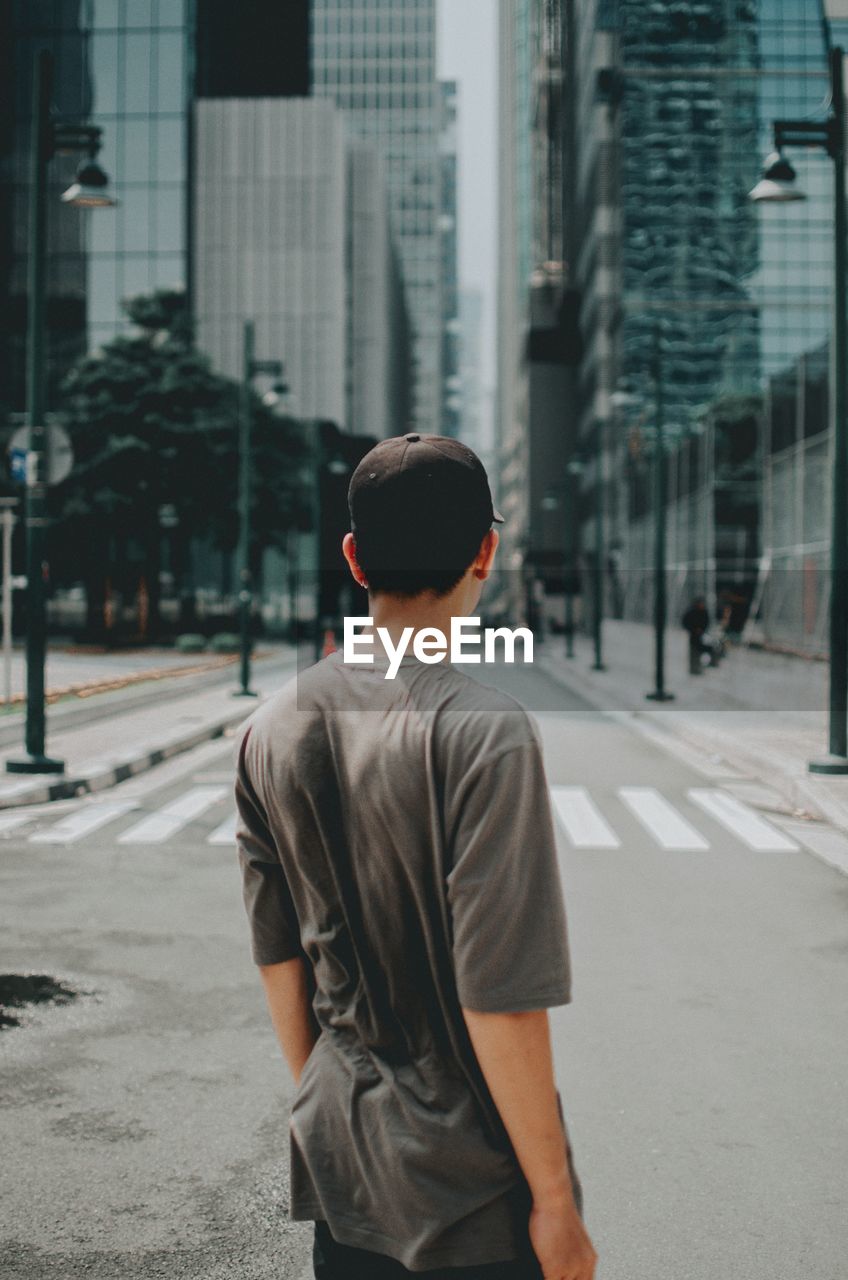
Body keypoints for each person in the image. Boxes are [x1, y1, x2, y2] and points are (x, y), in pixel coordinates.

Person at [235, 432, 597, 1280]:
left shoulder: (271, 727)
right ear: (486, 551)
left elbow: (279, 958)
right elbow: (499, 995)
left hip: (344, 1173)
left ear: (355, 558)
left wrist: (342, 1104)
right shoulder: (485, 732)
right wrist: (555, 1200)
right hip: (468, 1201)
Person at [681, 595, 710, 675]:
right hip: (693, 635)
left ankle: (697, 668)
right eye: (700, 603)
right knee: (693, 651)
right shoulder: (691, 611)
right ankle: (693, 669)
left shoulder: (704, 612)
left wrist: (701, 630)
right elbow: (685, 622)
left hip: (701, 635)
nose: (701, 605)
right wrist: (693, 629)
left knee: (699, 651)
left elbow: (706, 622)